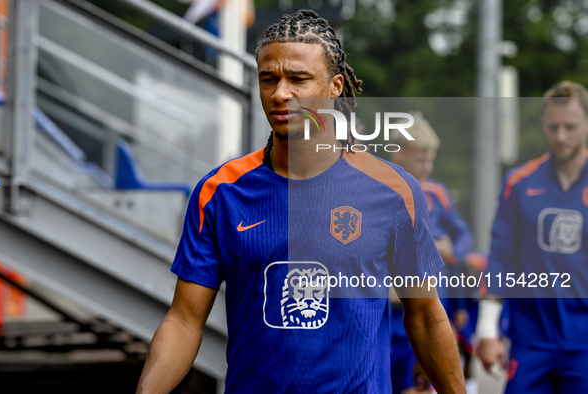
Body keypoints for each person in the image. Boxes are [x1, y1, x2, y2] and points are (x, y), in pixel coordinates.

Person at [137, 10, 465, 394]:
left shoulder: (392, 191)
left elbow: (425, 316)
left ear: (335, 86)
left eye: (298, 79)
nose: (280, 94)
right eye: (268, 79)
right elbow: (184, 320)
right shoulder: (220, 191)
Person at [476, 80, 588, 393]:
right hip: (530, 341)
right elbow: (499, 258)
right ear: (544, 124)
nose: (561, 136)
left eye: (570, 126)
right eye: (553, 127)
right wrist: (487, 330)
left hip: (584, 343)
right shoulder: (519, 183)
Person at [388, 115, 476, 393]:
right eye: (421, 159)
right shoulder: (375, 188)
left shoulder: (437, 192)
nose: (428, 167)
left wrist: (449, 252)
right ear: (397, 152)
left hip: (433, 305)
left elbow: (464, 237)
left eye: (431, 160)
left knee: (422, 381)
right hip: (389, 310)